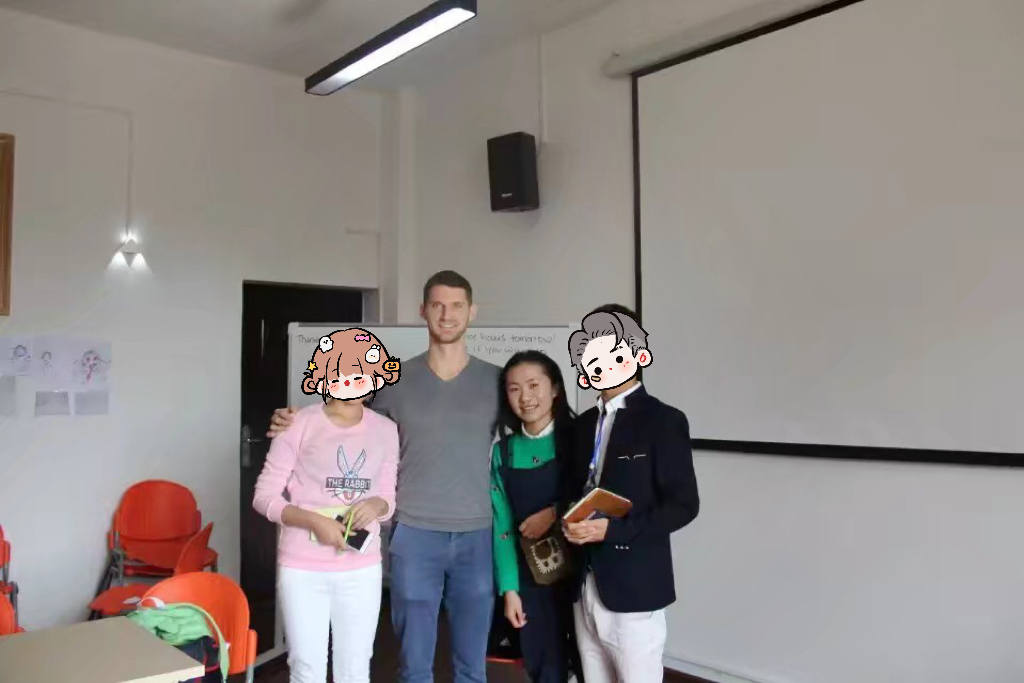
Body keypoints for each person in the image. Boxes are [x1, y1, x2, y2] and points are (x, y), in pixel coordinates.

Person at [267, 271, 501, 683]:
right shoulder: (393, 382)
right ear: (423, 311)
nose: (447, 315)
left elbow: (537, 428)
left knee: (472, 665)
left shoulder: (498, 382)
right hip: (413, 532)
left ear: (472, 312)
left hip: (477, 533)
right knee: (414, 664)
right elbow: (341, 414)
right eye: (437, 305)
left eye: (457, 306)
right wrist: (292, 419)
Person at [252, 327, 401, 683]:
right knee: (306, 666)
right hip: (303, 568)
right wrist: (312, 521)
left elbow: (388, 498)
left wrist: (377, 505)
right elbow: (264, 496)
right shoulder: (298, 423)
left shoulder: (386, 430)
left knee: (356, 668)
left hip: (361, 568)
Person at [561, 304, 700, 683]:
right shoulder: (584, 425)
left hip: (636, 585)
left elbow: (684, 505)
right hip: (584, 583)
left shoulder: (663, 420)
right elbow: (574, 491)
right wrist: (570, 519)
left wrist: (613, 529)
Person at [490, 351, 584, 683]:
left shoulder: (581, 439)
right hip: (532, 579)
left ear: (555, 388)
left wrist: (554, 513)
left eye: (534, 385)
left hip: (583, 573)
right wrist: (509, 590)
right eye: (514, 389)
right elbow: (502, 526)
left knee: (592, 664)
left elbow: (600, 496)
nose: (525, 397)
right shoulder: (504, 452)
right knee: (545, 666)